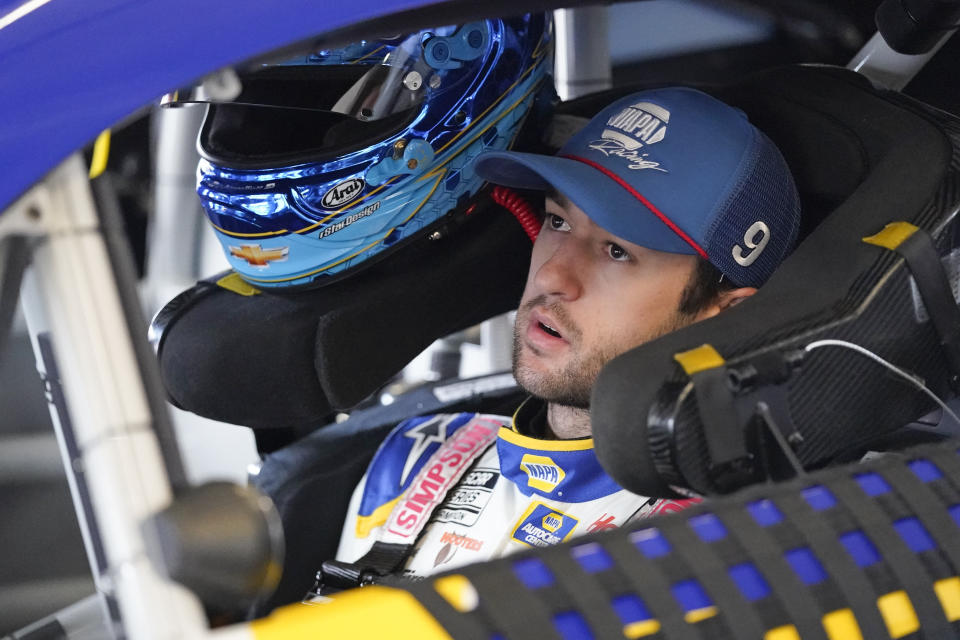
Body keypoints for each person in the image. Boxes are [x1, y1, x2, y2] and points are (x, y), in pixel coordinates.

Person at [328, 86, 801, 581]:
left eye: (617, 251)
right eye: (557, 220)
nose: (552, 275)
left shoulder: (732, 547)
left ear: (722, 314)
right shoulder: (419, 458)